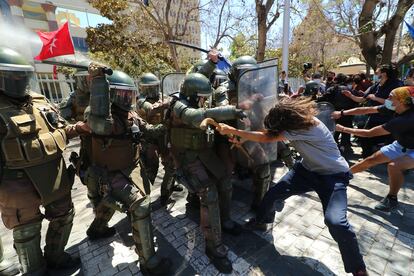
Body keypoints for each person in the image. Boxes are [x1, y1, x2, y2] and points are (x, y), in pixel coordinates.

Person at [216, 96, 368, 276]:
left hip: (333, 177)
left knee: (336, 222)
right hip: (306, 170)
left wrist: (234, 131)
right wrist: (243, 137)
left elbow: (267, 137)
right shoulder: (298, 122)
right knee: (273, 194)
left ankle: (358, 268)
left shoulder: (309, 127)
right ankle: (261, 221)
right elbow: (270, 133)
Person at [0, 46, 88, 275]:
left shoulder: (40, 100)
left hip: (55, 176)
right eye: (13, 76)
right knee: (27, 230)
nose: (19, 81)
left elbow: (60, 128)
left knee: (64, 215)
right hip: (17, 183)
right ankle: (34, 269)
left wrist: (78, 128)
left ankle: (56, 256)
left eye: (23, 76)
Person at [85, 64, 171, 274]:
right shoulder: (98, 115)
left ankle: (97, 229)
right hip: (108, 173)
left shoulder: (130, 114)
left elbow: (149, 131)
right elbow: (100, 125)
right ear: (110, 95)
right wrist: (98, 82)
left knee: (109, 203)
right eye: (121, 94)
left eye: (128, 94)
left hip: (129, 167)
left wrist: (169, 123)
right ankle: (149, 263)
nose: (126, 99)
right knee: (140, 206)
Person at [168, 73, 247, 273]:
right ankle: (214, 247)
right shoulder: (178, 105)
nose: (204, 101)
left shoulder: (195, 103)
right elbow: (195, 117)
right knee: (209, 193)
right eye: (201, 97)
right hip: (186, 159)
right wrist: (231, 110)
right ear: (193, 95)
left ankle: (226, 220)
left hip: (204, 154)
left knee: (226, 182)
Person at [333, 86, 414, 212]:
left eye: (390, 97)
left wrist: (342, 129)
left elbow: (369, 133)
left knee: (394, 166)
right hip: (403, 144)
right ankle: (345, 176)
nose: (387, 99)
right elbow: (366, 110)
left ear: (402, 101)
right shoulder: (394, 108)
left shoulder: (405, 119)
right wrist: (343, 113)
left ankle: (391, 198)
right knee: (371, 159)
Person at [136, 72, 182, 205]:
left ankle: (166, 191)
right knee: (150, 168)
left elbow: (170, 103)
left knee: (171, 164)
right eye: (149, 88)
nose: (153, 91)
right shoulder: (141, 100)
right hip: (149, 138)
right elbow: (151, 110)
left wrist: (171, 101)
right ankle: (143, 198)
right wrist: (166, 103)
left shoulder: (162, 97)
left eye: (155, 87)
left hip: (164, 135)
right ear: (143, 88)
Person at [342, 64, 402, 157]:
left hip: (390, 118)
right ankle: (369, 158)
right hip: (375, 116)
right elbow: (362, 99)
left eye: (377, 72)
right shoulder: (376, 85)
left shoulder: (397, 85)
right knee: (365, 138)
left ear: (384, 74)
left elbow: (395, 103)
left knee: (389, 142)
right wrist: (350, 95)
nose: (376, 74)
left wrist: (376, 98)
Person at [318, 73, 358, 154]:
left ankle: (333, 146)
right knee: (346, 130)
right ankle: (344, 147)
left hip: (333, 113)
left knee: (333, 130)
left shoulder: (332, 89)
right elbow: (355, 101)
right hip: (347, 113)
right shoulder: (349, 90)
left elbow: (323, 99)